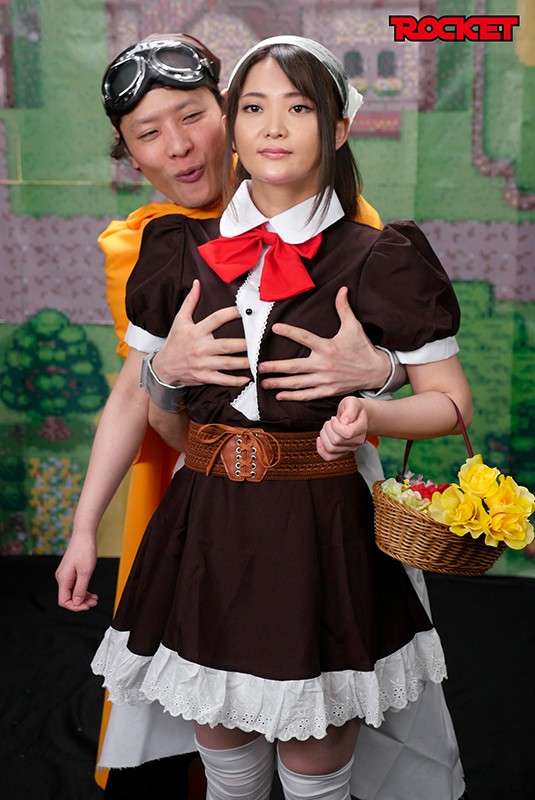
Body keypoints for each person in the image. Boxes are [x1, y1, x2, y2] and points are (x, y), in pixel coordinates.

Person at [56, 34, 474, 800]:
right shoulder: (167, 247)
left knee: (316, 752)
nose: (272, 127)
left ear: (335, 126)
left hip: (322, 520)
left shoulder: (372, 246)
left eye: (297, 108)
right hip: (207, 517)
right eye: (255, 108)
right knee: (223, 748)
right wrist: (161, 375)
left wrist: (374, 383)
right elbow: (142, 401)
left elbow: (438, 395)